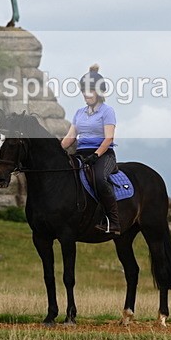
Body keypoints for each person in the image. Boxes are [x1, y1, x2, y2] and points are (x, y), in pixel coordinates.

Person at [60, 64, 120, 235]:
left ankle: (114, 221)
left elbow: (109, 138)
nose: (86, 95)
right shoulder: (79, 113)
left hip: (103, 155)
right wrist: (57, 149)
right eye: (84, 91)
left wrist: (96, 155)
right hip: (82, 154)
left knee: (100, 179)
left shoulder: (107, 111)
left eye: (90, 91)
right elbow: (71, 137)